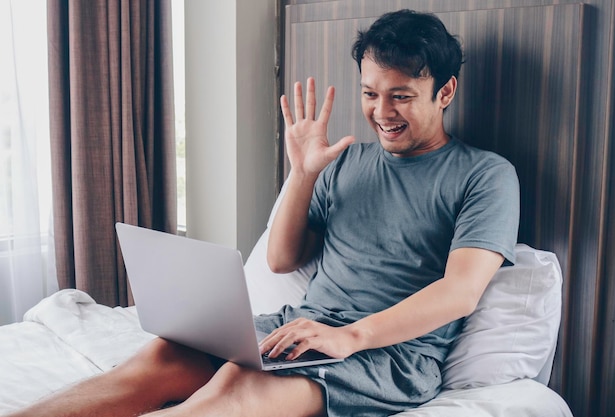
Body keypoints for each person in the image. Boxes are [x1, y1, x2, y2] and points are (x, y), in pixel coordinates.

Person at [7, 9, 519, 417]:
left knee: (231, 391)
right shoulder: (348, 163)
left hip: (389, 355)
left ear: (445, 91)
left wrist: (350, 336)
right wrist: (302, 173)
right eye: (370, 94)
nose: (382, 112)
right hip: (299, 327)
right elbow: (281, 260)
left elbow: (461, 290)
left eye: (401, 96)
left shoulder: (484, 175)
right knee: (156, 359)